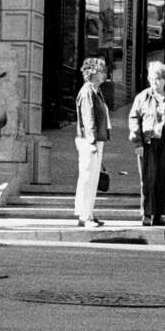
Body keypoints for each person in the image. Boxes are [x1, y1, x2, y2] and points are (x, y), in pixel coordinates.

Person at [129, 61, 165, 226]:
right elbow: (133, 119)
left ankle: (160, 214)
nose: (154, 81)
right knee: (148, 178)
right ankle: (146, 213)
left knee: (162, 178)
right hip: (148, 141)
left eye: (158, 78)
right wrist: (137, 142)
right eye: (152, 77)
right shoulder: (143, 96)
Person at [74, 57, 110, 228]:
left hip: (96, 140)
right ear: (92, 73)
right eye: (101, 71)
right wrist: (92, 142)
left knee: (93, 178)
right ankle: (84, 215)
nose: (104, 74)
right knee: (88, 178)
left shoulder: (96, 91)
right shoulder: (88, 91)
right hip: (89, 140)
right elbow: (88, 119)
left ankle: (88, 213)